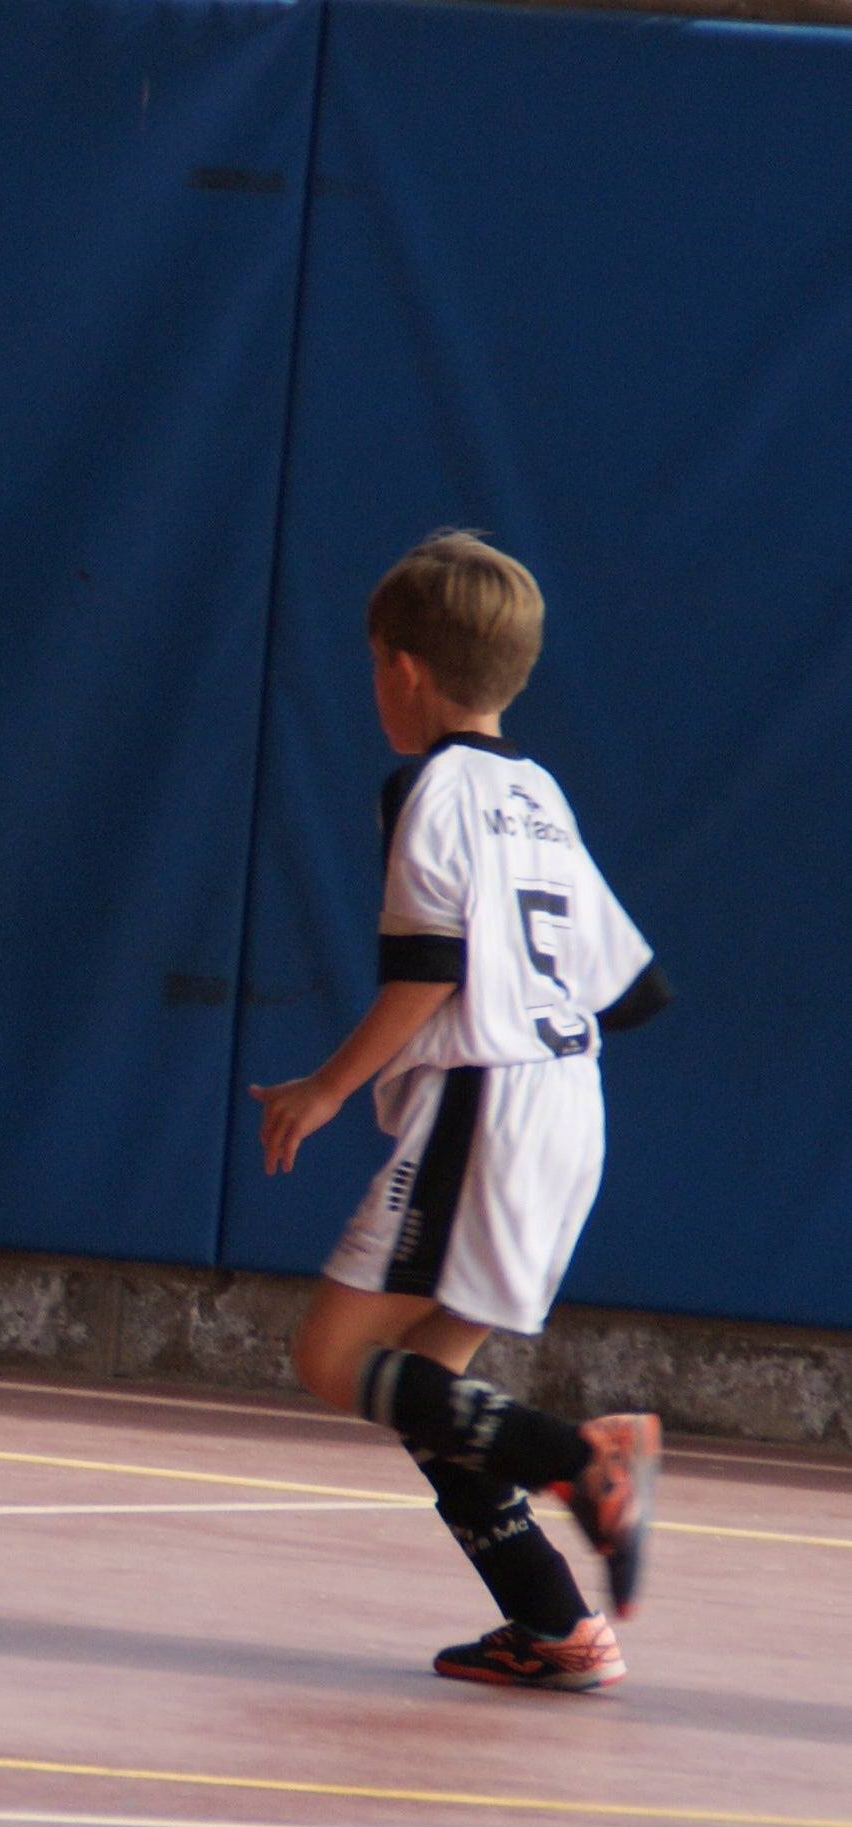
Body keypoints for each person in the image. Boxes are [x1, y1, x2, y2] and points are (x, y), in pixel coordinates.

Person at [253, 529, 670, 1691]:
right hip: (567, 1101)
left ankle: (585, 1456)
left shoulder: (427, 786)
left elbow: (427, 971)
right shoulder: (540, 794)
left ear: (404, 669)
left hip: (487, 1105)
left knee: (334, 1353)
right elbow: (632, 989)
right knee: (436, 1391)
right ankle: (556, 1623)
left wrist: (326, 1087)